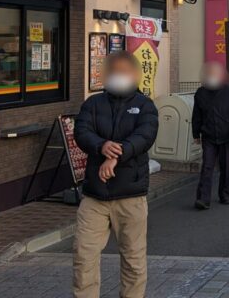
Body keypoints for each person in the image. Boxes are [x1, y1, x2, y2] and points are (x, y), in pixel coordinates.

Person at [72, 52, 159, 298]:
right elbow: (82, 131)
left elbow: (145, 137)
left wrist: (115, 155)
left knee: (133, 258)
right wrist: (101, 145)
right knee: (83, 254)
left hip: (130, 194)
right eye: (114, 71)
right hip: (94, 195)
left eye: (124, 71)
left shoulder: (145, 106)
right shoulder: (92, 104)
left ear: (134, 74)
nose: (118, 76)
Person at [192, 62, 229, 209]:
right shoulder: (201, 93)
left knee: (227, 167)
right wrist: (196, 133)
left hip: (227, 136)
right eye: (209, 74)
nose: (212, 77)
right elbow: (197, 115)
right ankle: (203, 199)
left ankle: (225, 194)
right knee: (207, 167)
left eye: (215, 74)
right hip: (209, 135)